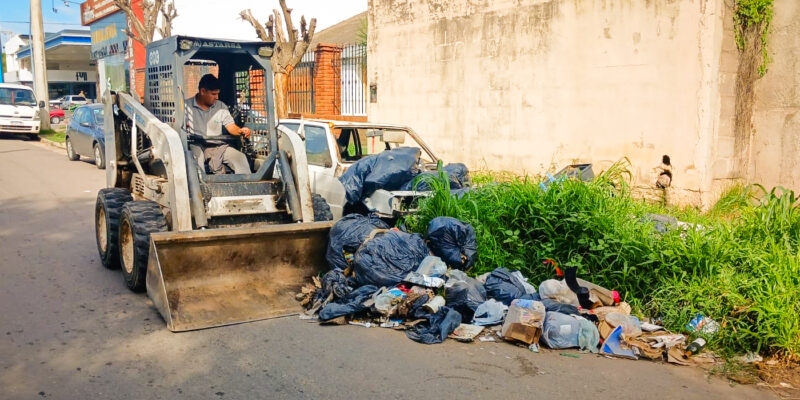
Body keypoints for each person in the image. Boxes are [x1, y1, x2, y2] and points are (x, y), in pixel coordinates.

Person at [186, 74, 252, 174]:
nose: (217, 97)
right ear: (203, 91)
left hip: (217, 146)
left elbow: (231, 127)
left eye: (218, 94)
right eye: (213, 94)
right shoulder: (186, 106)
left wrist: (240, 131)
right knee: (196, 162)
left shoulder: (221, 106)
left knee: (240, 158)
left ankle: (247, 188)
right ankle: (200, 188)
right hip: (195, 144)